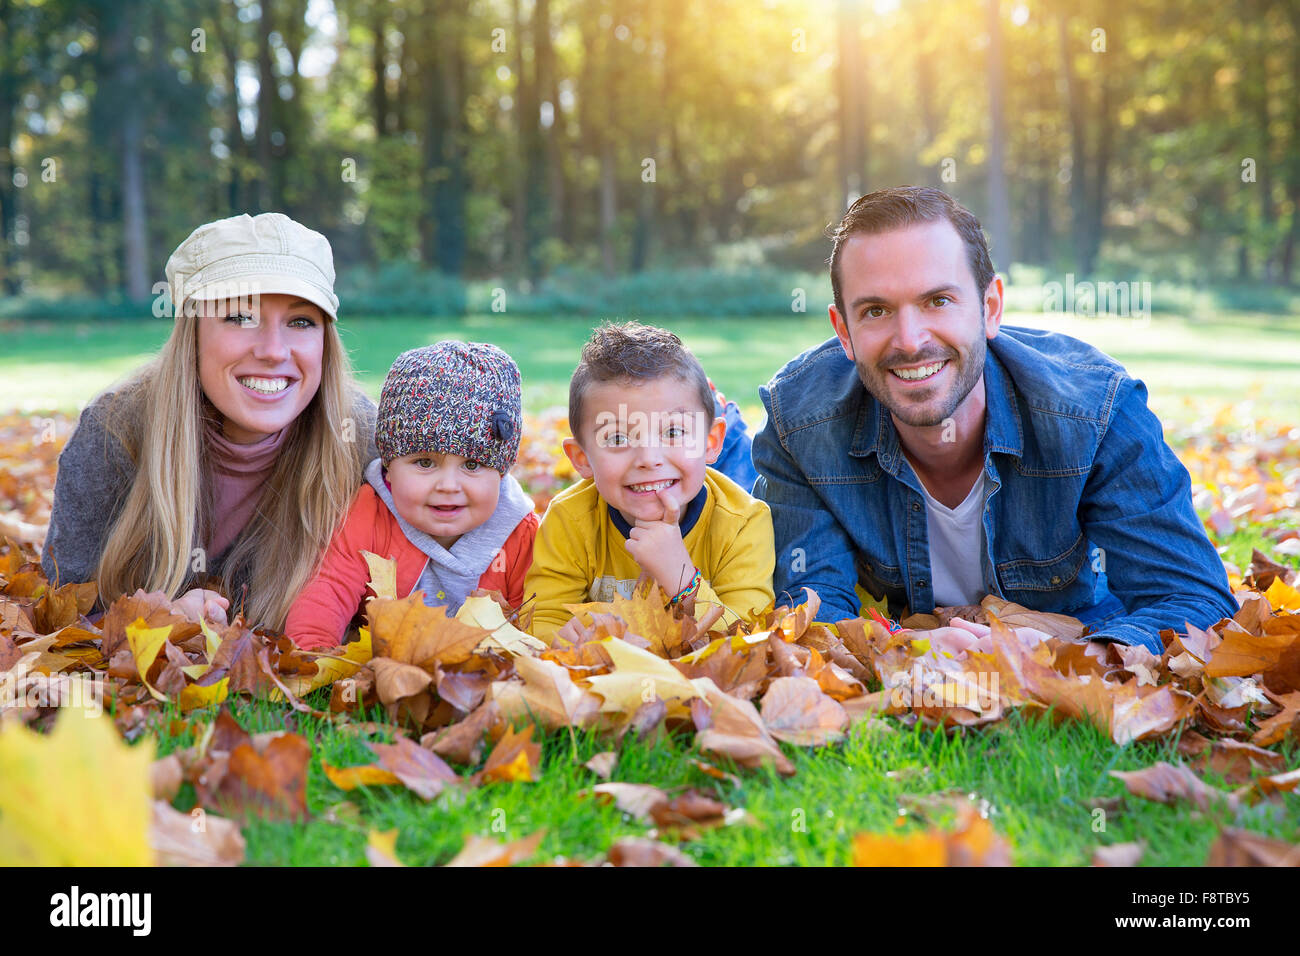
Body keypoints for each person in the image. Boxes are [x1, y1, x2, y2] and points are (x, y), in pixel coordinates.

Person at [751, 186, 1237, 654]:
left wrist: (1064, 653)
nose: (909, 340)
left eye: (937, 301)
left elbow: (1196, 603)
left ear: (990, 308)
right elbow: (809, 608)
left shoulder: (1096, 411)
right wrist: (901, 649)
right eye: (876, 310)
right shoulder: (798, 424)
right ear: (844, 332)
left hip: (1079, 632)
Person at [41, 212, 378, 630]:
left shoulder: (361, 439)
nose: (274, 350)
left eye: (301, 321)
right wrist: (155, 623)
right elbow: (57, 617)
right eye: (240, 317)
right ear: (193, 332)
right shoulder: (114, 432)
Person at [525, 321, 775, 641]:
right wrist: (563, 639)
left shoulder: (743, 522)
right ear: (582, 457)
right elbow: (541, 617)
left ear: (711, 442)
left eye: (673, 432)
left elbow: (747, 636)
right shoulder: (570, 519)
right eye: (617, 438)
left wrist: (680, 578)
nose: (648, 458)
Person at [287, 342, 539, 650]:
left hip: (481, 673)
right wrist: (310, 655)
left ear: (501, 473)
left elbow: (532, 622)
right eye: (425, 462)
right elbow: (329, 589)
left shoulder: (520, 534)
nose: (448, 485)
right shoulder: (370, 514)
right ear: (389, 467)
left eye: (472, 465)